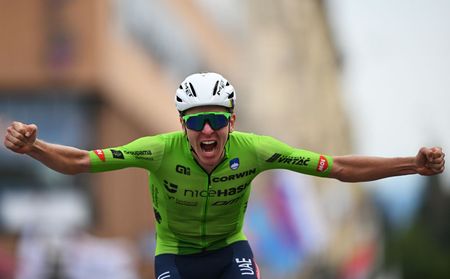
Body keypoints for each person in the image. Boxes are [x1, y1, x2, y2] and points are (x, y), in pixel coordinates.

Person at [4, 72, 445, 279]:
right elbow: (80, 161)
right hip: (174, 254)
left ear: (232, 121)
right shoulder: (158, 150)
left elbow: (339, 168)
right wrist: (34, 148)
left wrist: (413, 164)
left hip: (229, 250)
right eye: (196, 122)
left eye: (216, 119)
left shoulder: (256, 150)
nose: (207, 130)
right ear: (183, 127)